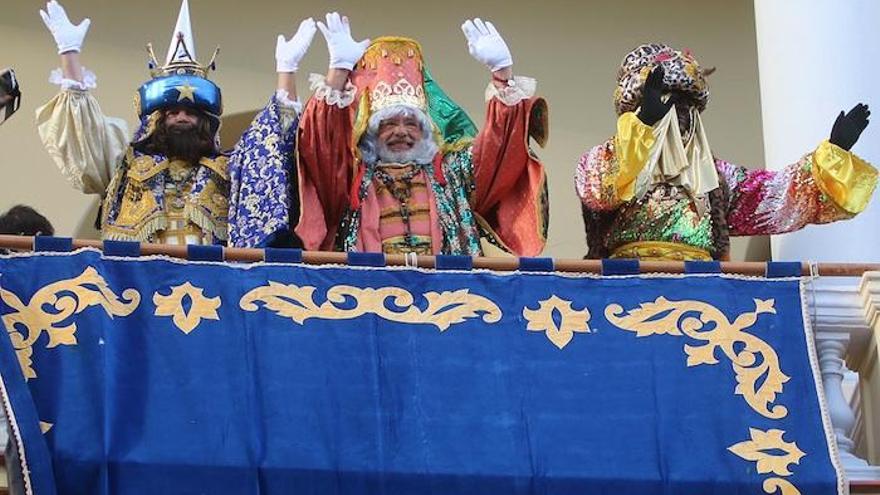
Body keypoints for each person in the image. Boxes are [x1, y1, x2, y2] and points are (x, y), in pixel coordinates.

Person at [36, 0, 316, 247]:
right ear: (158, 119)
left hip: (212, 292)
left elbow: (268, 142)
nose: (182, 117)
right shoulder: (126, 165)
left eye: (191, 112)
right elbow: (86, 137)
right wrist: (69, 54)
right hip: (138, 292)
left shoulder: (229, 170)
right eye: (173, 112)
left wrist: (286, 72)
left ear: (205, 121)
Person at [575, 43, 877, 261]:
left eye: (686, 107)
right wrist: (643, 126)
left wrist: (833, 153)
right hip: (623, 286)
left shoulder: (715, 178)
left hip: (700, 292)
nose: (677, 116)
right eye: (665, 105)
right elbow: (599, 191)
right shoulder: (601, 161)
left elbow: (778, 196)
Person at [296, 13, 548, 256]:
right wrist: (338, 74)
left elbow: (499, 150)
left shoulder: (450, 174)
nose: (401, 131)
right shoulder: (352, 176)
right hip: (367, 293)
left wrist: (503, 75)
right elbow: (321, 146)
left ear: (425, 130)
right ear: (371, 132)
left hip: (447, 294)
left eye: (411, 123)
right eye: (389, 124)